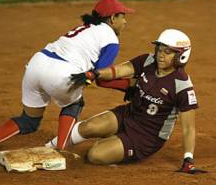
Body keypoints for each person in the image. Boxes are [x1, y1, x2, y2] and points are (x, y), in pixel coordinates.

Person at [0, 0, 135, 163]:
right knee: (74, 104)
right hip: (61, 72)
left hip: (36, 65)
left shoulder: (85, 28)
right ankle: (61, 150)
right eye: (122, 16)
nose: (125, 21)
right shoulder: (111, 39)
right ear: (113, 18)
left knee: (29, 120)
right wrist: (128, 86)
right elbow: (102, 77)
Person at [46, 29, 207, 174]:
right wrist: (94, 74)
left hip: (145, 137)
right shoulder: (148, 61)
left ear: (181, 56)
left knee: (95, 155)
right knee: (89, 127)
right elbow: (118, 71)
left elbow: (188, 128)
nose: (160, 54)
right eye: (159, 49)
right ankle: (49, 148)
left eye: (168, 52)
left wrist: (188, 160)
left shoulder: (182, 86)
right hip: (129, 114)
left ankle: (115, 143)